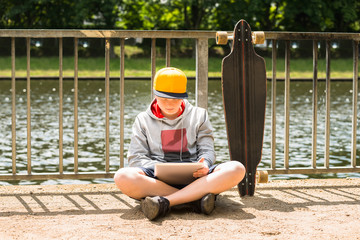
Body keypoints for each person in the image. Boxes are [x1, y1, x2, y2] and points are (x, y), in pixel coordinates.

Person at [114, 67, 245, 220]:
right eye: (164, 99)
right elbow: (136, 158)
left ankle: (166, 201)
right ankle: (194, 199)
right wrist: (158, 169)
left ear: (183, 96)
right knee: (122, 176)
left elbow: (207, 150)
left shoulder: (199, 115)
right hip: (157, 178)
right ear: (155, 94)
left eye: (175, 99)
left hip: (196, 175)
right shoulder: (142, 119)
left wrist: (205, 164)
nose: (170, 104)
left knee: (237, 168)